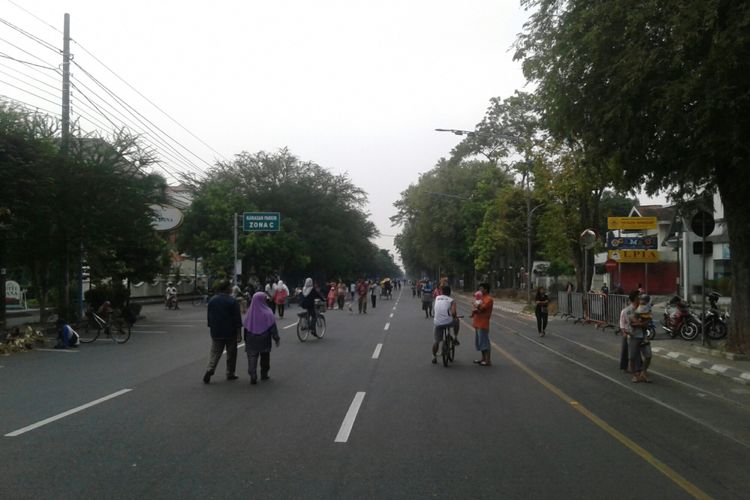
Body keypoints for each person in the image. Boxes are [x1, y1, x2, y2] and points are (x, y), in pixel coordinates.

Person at [203, 280, 242, 384]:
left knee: (215, 352)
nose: (231, 288)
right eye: (230, 287)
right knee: (231, 354)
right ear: (227, 289)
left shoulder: (212, 300)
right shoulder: (232, 301)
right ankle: (230, 373)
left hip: (216, 331)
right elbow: (237, 319)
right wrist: (239, 334)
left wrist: (211, 326)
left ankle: (210, 369)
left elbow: (209, 317)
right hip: (230, 332)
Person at [243, 292, 281, 385]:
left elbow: (246, 327)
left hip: (251, 337)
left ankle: (253, 374)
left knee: (252, 356)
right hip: (264, 337)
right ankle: (264, 373)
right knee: (265, 356)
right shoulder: (268, 312)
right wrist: (276, 338)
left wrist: (245, 339)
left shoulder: (249, 313)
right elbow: (273, 327)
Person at [627, 293, 653, 383]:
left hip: (644, 335)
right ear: (634, 300)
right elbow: (631, 322)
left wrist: (645, 322)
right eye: (639, 298)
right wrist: (640, 324)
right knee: (632, 357)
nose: (641, 300)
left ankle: (643, 372)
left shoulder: (645, 308)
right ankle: (635, 375)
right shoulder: (628, 310)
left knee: (648, 355)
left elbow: (649, 320)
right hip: (634, 336)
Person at [431, 285, 458, 364]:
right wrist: (455, 317)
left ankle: (434, 357)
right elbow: (453, 313)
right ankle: (455, 337)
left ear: (441, 291)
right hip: (448, 322)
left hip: (437, 322)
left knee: (436, 341)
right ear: (450, 292)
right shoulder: (452, 300)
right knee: (457, 321)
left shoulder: (437, 298)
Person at [472, 283, 494, 366]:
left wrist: (477, 305)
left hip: (483, 323)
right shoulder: (480, 298)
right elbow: (476, 307)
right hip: (477, 322)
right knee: (480, 342)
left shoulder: (489, 299)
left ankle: (488, 360)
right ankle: (483, 358)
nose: (480, 290)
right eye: (479, 288)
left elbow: (482, 308)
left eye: (481, 288)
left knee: (485, 342)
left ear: (486, 289)